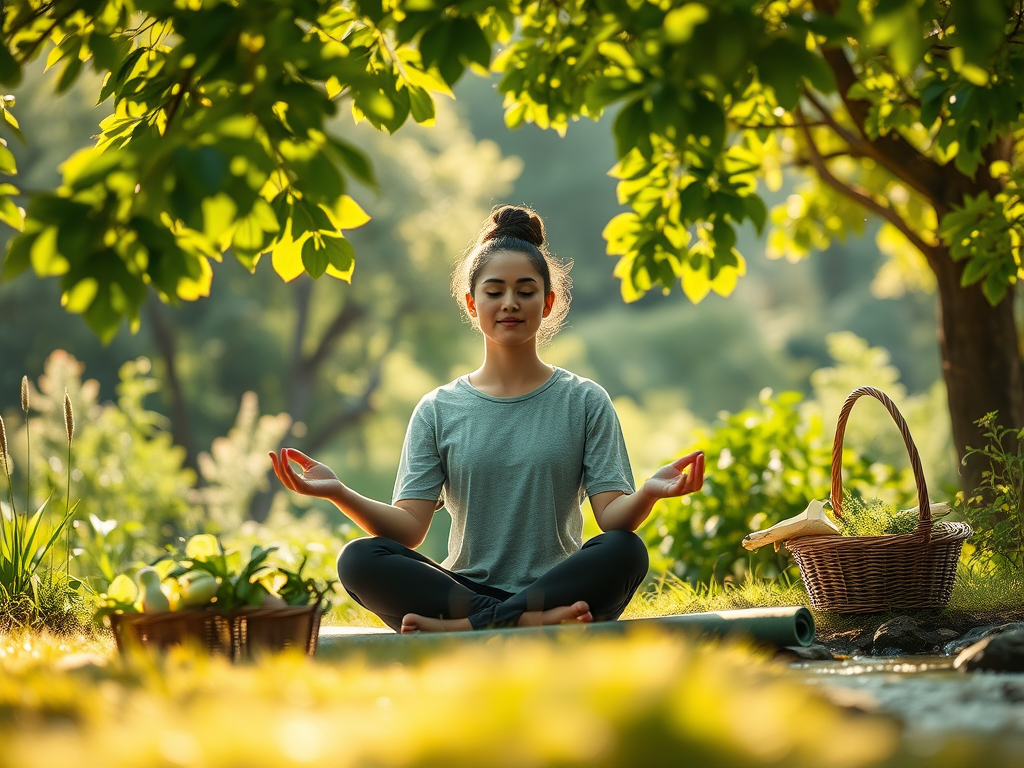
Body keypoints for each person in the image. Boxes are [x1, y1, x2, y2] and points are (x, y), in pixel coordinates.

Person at [270, 204, 705, 633]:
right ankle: (521, 622)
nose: (510, 304)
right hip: (461, 591)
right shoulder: (438, 409)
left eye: (526, 291)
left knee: (625, 551)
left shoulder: (585, 401)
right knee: (360, 559)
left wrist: (648, 491)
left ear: (548, 302)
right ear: (471, 303)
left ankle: (473, 627)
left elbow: (611, 518)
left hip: (557, 587)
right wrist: (338, 492)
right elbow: (409, 529)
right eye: (494, 291)